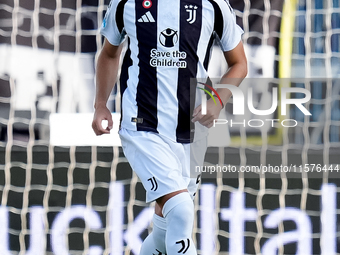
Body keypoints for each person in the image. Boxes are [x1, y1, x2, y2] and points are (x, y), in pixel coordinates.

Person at [92, 0, 247, 254]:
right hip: (142, 125)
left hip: (193, 129)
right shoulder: (126, 4)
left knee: (166, 227)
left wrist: (217, 101)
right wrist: (100, 104)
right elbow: (109, 54)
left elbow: (239, 63)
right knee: (182, 210)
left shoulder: (214, 5)